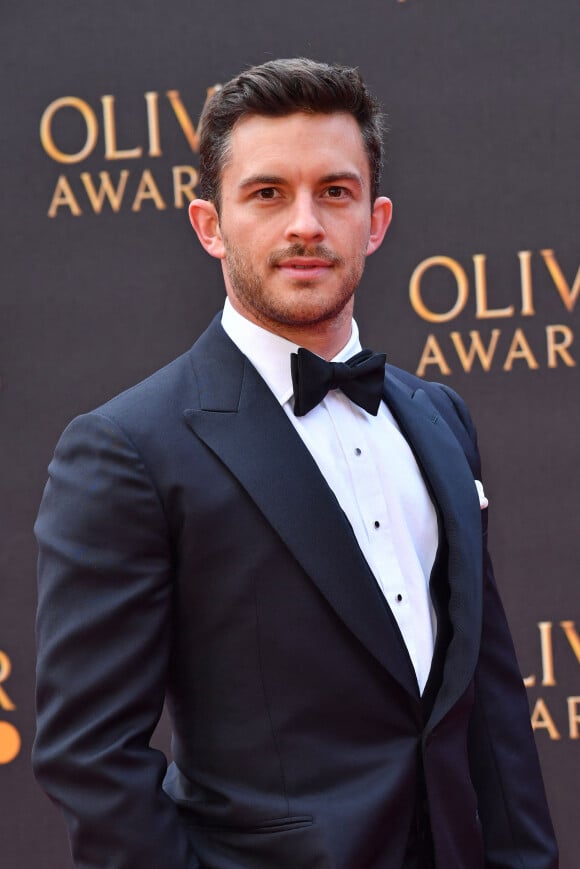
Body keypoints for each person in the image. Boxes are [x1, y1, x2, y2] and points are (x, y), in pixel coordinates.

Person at [33, 58, 558, 869]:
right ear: (209, 225)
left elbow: (488, 702)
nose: (305, 224)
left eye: (335, 192)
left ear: (376, 221)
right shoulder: (129, 448)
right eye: (268, 193)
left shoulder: (438, 416)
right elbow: (91, 759)